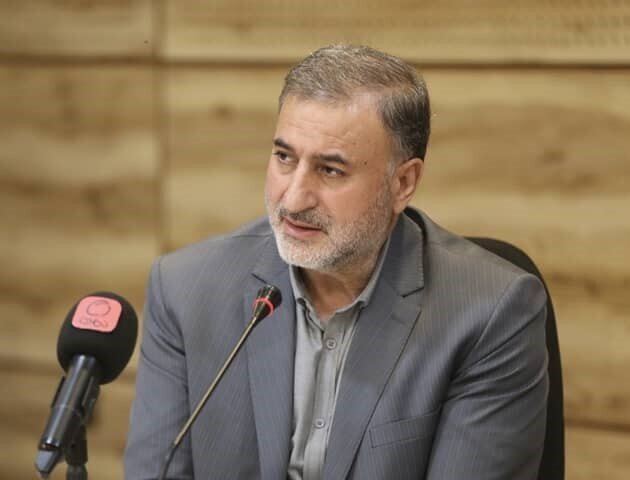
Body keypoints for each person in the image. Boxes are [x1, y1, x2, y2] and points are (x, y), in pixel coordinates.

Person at [124, 45, 548, 479]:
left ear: (403, 182)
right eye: (284, 158)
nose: (294, 200)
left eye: (330, 170)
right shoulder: (185, 291)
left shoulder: (488, 314)